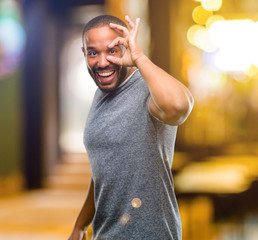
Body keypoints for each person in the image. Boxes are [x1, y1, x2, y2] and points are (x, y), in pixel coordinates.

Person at [68, 14, 193, 240]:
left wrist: (139, 58)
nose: (102, 62)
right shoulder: (100, 96)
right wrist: (80, 225)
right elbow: (102, 172)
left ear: (126, 49)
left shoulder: (147, 89)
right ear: (84, 54)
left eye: (113, 50)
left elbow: (178, 107)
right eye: (93, 52)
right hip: (105, 234)